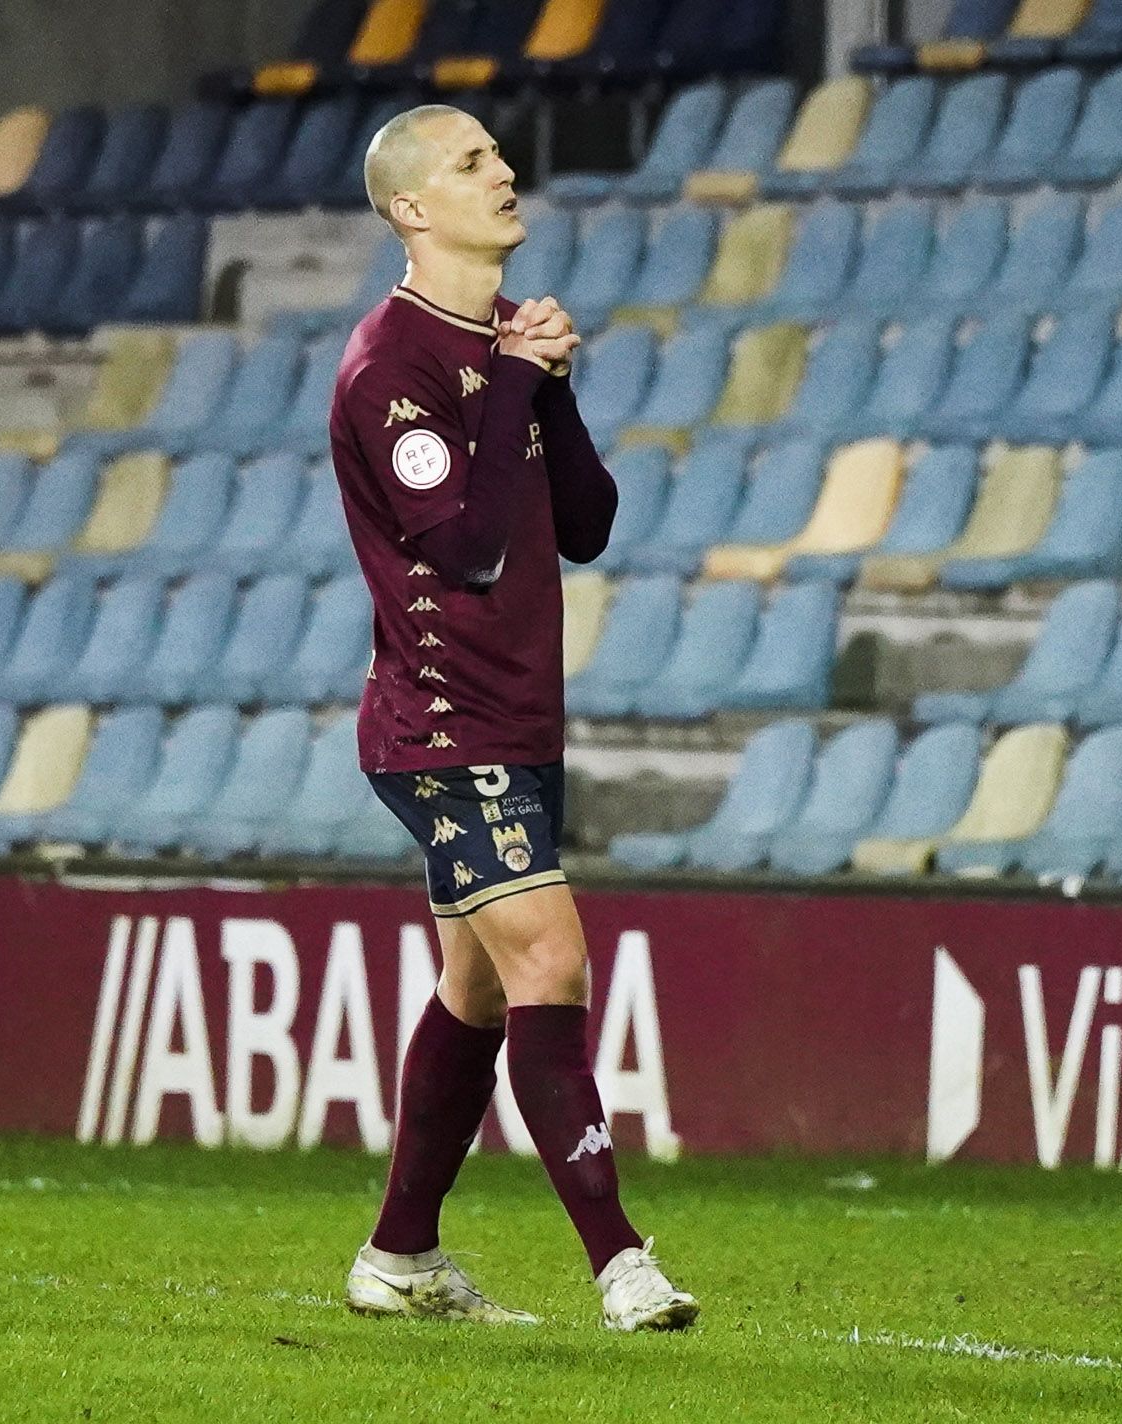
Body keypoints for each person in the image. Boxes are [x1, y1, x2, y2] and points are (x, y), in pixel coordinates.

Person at [327, 105, 698, 1333]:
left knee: (477, 991)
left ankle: (398, 1255)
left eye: (499, 154)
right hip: (439, 725)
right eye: (473, 161)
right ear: (412, 210)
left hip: (518, 716)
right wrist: (516, 384)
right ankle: (620, 1260)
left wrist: (553, 389)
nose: (505, 171)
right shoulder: (391, 365)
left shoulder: (502, 346)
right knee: (549, 954)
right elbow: (470, 547)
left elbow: (582, 521)